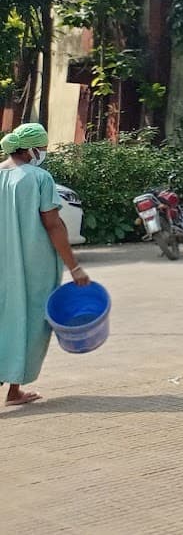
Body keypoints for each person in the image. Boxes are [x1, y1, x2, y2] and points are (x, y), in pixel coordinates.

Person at [0, 123, 90, 407]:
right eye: (42, 148)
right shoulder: (39, 178)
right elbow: (53, 224)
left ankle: (14, 391)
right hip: (31, 265)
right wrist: (74, 266)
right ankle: (13, 387)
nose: (43, 154)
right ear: (31, 149)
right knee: (27, 322)